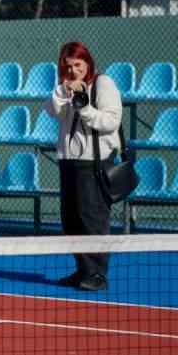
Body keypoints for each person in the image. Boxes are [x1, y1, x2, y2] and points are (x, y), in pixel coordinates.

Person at [45, 40, 123, 291]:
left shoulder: (104, 84)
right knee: (71, 219)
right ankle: (82, 269)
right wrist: (63, 92)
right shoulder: (64, 86)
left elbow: (111, 121)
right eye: (68, 67)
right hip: (68, 159)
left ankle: (97, 273)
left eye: (78, 65)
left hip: (94, 160)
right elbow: (51, 111)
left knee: (92, 218)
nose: (73, 71)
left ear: (87, 63)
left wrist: (85, 107)